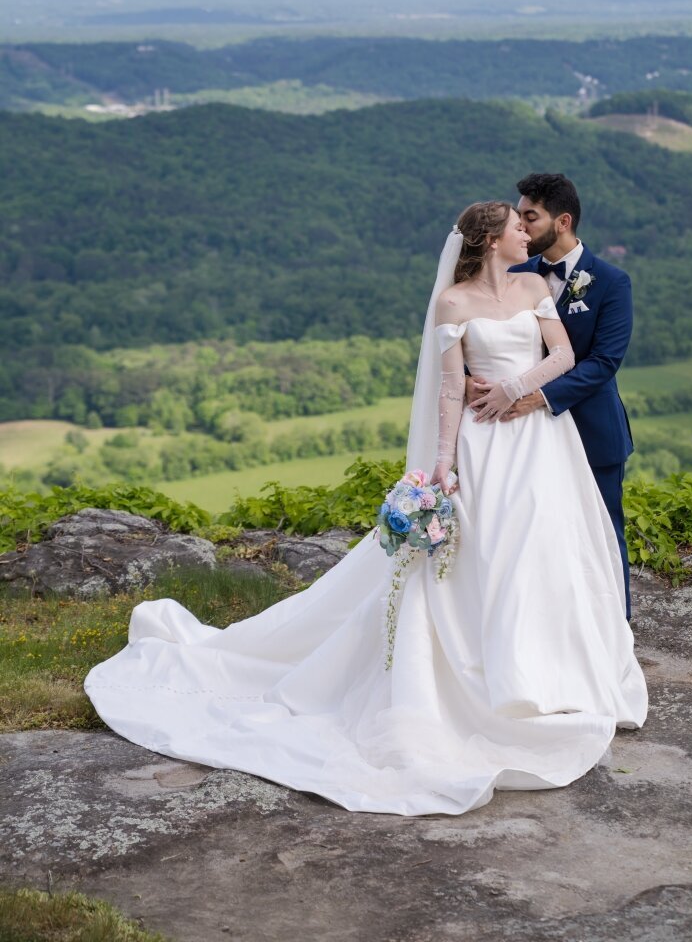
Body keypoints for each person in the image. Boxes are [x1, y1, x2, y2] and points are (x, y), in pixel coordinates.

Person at [84, 200, 647, 817]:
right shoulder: (452, 304)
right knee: (492, 555)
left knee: (544, 550)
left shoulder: (535, 284)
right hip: (482, 448)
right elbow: (452, 388)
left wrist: (517, 390)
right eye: (517, 227)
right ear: (489, 241)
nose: (526, 234)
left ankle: (556, 678)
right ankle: (499, 686)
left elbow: (564, 355)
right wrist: (442, 464)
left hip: (538, 439)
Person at [469, 174, 635, 619]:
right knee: (532, 540)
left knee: (601, 534)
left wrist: (536, 396)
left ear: (562, 221)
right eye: (518, 218)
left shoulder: (611, 282)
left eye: (530, 217)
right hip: (522, 438)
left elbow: (603, 363)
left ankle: (615, 632)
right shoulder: (514, 273)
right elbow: (477, 338)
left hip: (590, 431)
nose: (520, 227)